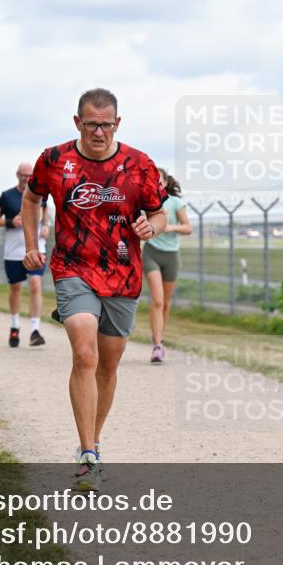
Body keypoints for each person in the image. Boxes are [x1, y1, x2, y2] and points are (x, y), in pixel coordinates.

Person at [22, 88, 167, 491]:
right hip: (73, 267)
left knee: (108, 364)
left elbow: (159, 214)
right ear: (77, 123)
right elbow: (31, 199)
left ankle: (94, 438)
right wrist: (33, 244)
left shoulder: (139, 165)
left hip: (123, 273)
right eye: (91, 124)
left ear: (117, 123)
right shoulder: (54, 160)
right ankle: (88, 455)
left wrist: (149, 227)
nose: (99, 132)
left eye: (106, 124)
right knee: (84, 352)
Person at [0, 162, 51, 347]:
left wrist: (47, 226)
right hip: (14, 251)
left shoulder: (40, 193)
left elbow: (45, 213)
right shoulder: (7, 196)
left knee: (35, 285)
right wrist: (11, 222)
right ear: (17, 175)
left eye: (29, 175)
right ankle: (15, 325)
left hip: (36, 248)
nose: (26, 178)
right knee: (15, 289)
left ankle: (35, 330)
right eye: (23, 175)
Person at [143, 168, 191, 363]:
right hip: (151, 253)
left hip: (171, 256)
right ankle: (157, 345)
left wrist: (170, 226)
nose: (155, 183)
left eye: (158, 180)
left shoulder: (175, 202)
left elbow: (188, 227)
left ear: (165, 182)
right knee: (157, 300)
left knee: (166, 303)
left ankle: (160, 337)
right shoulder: (146, 202)